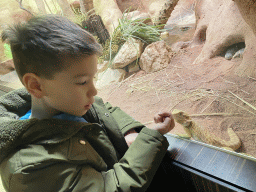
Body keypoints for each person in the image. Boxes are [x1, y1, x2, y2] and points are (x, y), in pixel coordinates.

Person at [0, 14, 175, 192]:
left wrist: (127, 132)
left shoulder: (65, 104)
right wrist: (150, 139)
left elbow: (102, 109)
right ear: (36, 85)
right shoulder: (31, 169)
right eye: (83, 82)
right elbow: (110, 188)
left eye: (94, 78)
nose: (94, 91)